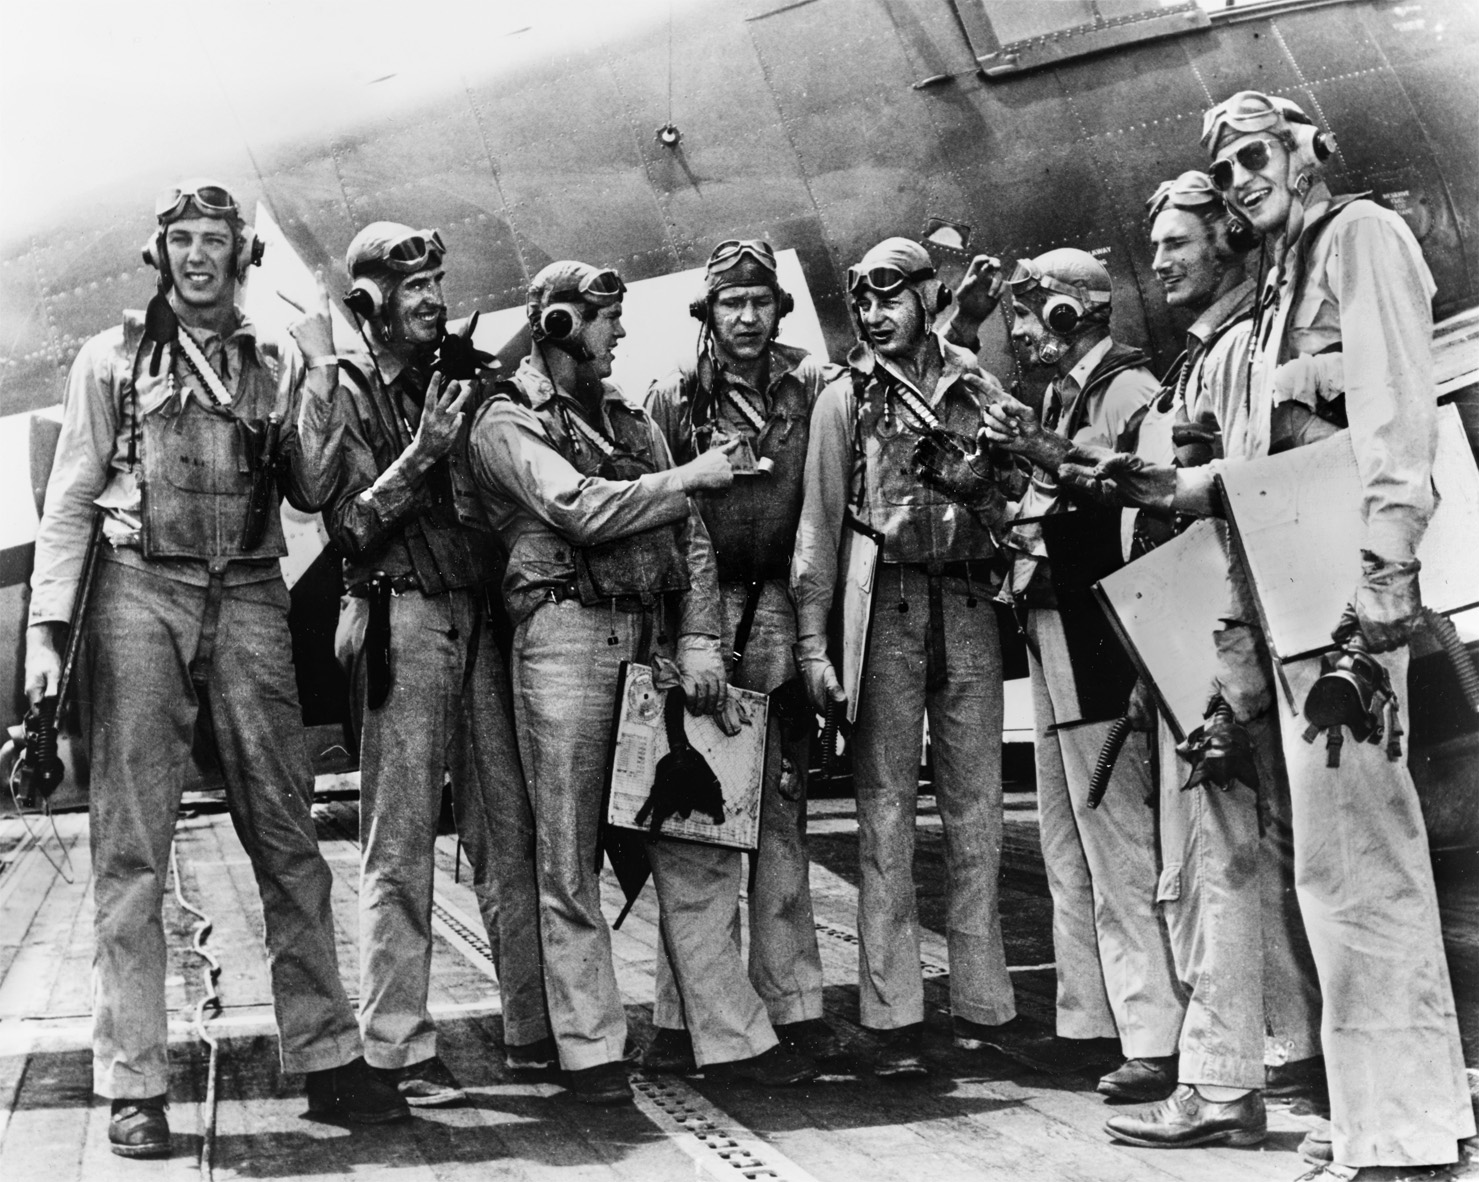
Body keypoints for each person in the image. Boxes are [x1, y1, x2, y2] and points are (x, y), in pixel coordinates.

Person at [1028, 92, 1475, 1179]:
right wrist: (1138, 478)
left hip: (1342, 605)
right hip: (1289, 601)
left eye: (1255, 155)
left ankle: (1405, 1136)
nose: (1240, 178)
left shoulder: (1358, 238)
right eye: (1224, 166)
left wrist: (1386, 575)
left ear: (1310, 150)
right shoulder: (1278, 290)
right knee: (1331, 875)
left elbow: (1391, 418)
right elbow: (1259, 472)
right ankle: (1394, 1118)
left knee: (1360, 869)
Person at [24, 180, 406, 1158]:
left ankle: (326, 1056)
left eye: (217, 242)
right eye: (182, 241)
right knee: (131, 849)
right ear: (162, 257)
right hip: (138, 599)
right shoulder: (109, 360)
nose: (200, 257)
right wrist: (46, 634)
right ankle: (135, 1082)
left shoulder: (275, 364)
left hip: (245, 593)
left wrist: (322, 370)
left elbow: (318, 491)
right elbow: (70, 501)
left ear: (241, 258)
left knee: (287, 834)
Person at [468, 260, 817, 1104]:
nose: (619, 333)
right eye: (604, 319)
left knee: (693, 843)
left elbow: (691, 539)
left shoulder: (629, 417)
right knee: (568, 854)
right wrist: (685, 479)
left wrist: (699, 639)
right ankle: (590, 1050)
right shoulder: (505, 421)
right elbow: (577, 507)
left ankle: (730, 1039)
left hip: (651, 641)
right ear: (558, 324)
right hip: (562, 641)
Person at [1084, 171, 1322, 1148]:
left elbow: (1242, 513)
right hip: (1244, 641)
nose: (1162, 261)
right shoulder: (1228, 347)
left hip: (1235, 647)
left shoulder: (1230, 356)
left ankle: (1222, 1087)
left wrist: (1219, 683)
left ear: (1227, 239)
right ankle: (1293, 1058)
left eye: (1178, 243)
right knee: (1267, 858)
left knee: (1223, 860)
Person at [298, 222, 550, 1106]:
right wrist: (424, 454)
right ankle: (398, 1046)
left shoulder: (466, 373)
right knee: (398, 845)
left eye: (437, 281)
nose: (434, 299)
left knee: (507, 834)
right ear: (369, 303)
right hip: (401, 619)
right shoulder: (346, 390)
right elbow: (344, 524)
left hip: (481, 620)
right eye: (413, 288)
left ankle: (533, 1027)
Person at [791, 236, 1016, 1077]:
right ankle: (892, 1013)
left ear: (930, 296)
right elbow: (817, 525)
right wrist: (814, 645)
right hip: (882, 611)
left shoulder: (976, 384)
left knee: (977, 811)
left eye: (890, 299)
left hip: (966, 604)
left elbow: (1013, 489)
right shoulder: (842, 399)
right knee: (884, 811)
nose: (876, 317)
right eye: (864, 303)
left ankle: (985, 1005)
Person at [963, 247, 1185, 1099]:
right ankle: (1092, 1019)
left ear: (1072, 312)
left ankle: (1154, 1035)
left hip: (1097, 627)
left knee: (1116, 837)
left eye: (1029, 312)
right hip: (1053, 620)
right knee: (1066, 840)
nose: (1016, 332)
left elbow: (1141, 501)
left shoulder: (1126, 391)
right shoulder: (1061, 396)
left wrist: (1043, 454)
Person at [643, 240, 839, 1071]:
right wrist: (682, 638)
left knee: (781, 811)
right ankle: (682, 1013)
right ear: (708, 314)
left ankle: (793, 1002)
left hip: (779, 611)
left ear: (778, 309)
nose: (748, 317)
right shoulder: (673, 400)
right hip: (704, 612)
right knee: (698, 821)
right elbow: (656, 512)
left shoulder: (815, 391)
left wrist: (807, 635)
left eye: (761, 301)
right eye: (731, 303)